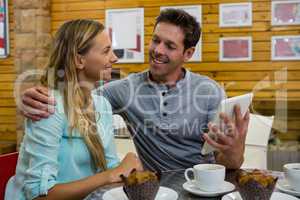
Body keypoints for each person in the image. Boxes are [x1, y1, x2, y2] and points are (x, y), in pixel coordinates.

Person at [20, 9, 249, 172]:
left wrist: (234, 151)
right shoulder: (124, 90)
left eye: (169, 46)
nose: (158, 50)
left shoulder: (210, 91)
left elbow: (229, 164)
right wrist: (35, 95)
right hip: (155, 189)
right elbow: (74, 97)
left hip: (202, 185)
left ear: (188, 54)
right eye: (155, 40)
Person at [6, 19, 143, 200]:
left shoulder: (102, 105)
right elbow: (39, 196)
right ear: (79, 60)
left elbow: (110, 167)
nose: (114, 58)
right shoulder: (48, 106)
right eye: (106, 51)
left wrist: (126, 170)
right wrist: (112, 175)